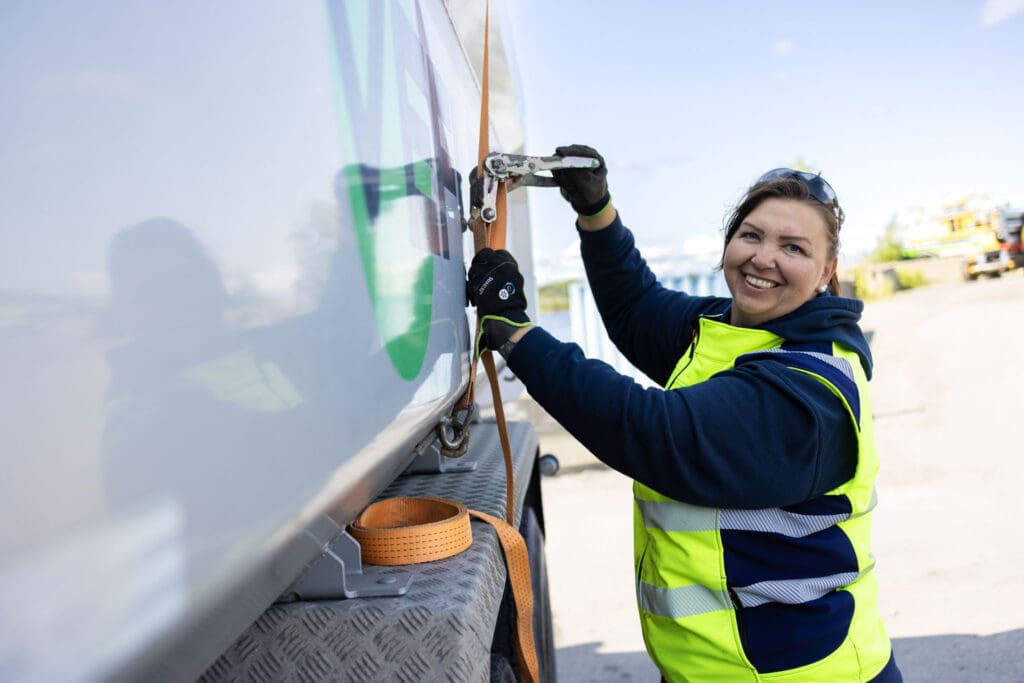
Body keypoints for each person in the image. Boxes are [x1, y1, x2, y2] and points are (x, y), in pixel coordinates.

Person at [466, 145, 902, 682]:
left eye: (792, 247)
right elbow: (637, 308)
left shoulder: (809, 392)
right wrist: (597, 211)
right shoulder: (729, 329)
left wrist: (517, 334)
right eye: (751, 236)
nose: (764, 258)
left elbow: (655, 432)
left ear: (825, 272)